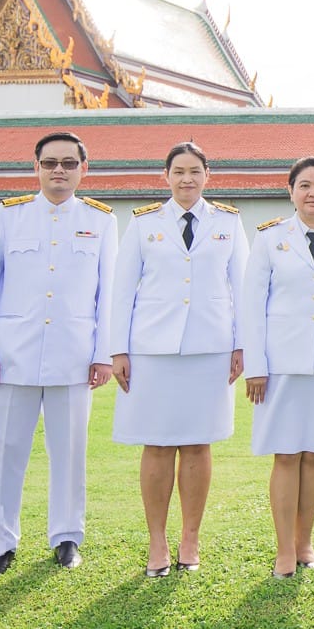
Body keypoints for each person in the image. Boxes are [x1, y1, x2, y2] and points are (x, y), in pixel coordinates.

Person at [0, 132, 115, 577]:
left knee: (70, 453)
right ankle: (2, 543)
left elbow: (106, 292)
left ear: (83, 170)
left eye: (69, 163)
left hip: (73, 354)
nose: (59, 171)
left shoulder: (102, 219)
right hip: (12, 354)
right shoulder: (5, 217)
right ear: (35, 167)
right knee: (5, 453)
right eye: (50, 162)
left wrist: (103, 353)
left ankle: (67, 537)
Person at [107, 142, 248, 577]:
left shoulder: (228, 221)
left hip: (210, 348)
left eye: (194, 171)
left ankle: (190, 537)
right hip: (153, 349)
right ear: (165, 176)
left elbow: (241, 287)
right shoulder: (144, 223)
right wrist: (117, 349)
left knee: (197, 442)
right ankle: (157, 542)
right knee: (157, 443)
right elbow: (122, 289)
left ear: (208, 175)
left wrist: (243, 345)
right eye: (178, 172)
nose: (187, 179)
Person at [243, 157, 314, 578]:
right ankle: (283, 549)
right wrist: (255, 365)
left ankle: (305, 541)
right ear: (290, 191)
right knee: (286, 456)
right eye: (305, 185)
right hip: (281, 365)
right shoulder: (270, 239)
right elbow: (252, 307)